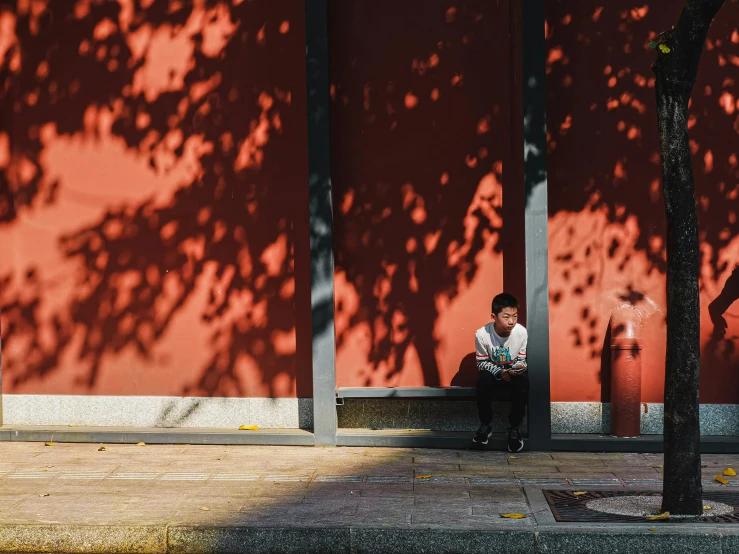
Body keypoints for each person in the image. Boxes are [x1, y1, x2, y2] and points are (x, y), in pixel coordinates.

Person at [472, 292, 529, 452]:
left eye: (515, 316)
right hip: (493, 374)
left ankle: (514, 427)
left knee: (523, 381)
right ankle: (485, 425)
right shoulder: (482, 334)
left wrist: (515, 370)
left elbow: (522, 359)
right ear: (493, 316)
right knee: (482, 380)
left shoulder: (521, 332)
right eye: (506, 317)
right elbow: (481, 362)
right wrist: (499, 372)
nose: (511, 321)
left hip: (513, 375)